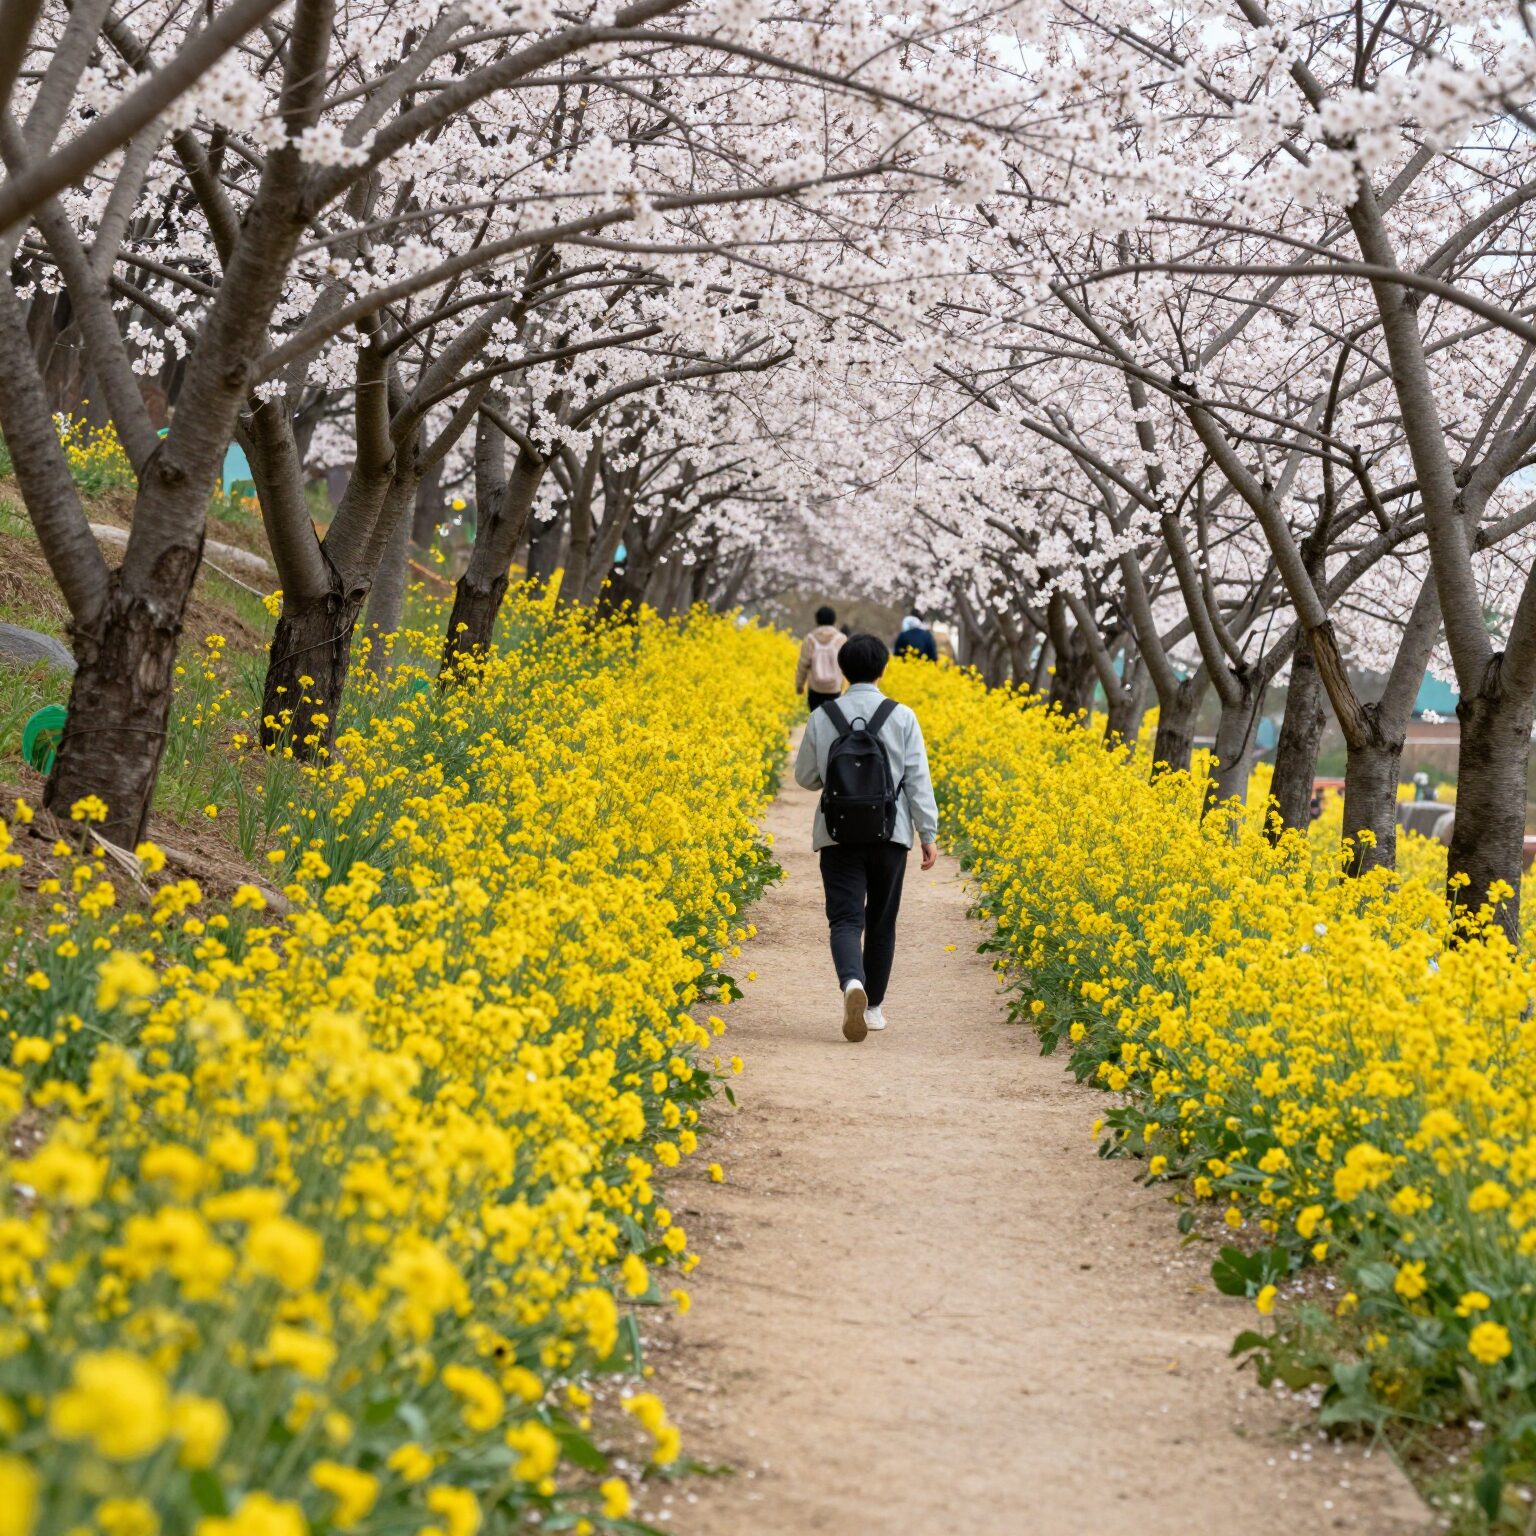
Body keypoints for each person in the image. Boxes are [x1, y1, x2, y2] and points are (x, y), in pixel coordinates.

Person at [793, 633, 939, 1043]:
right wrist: (927, 832)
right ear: (883, 669)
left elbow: (805, 777)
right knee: (881, 922)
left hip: (838, 835)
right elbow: (917, 781)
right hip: (890, 833)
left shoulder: (824, 716)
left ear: (842, 669)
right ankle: (872, 1008)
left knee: (844, 918)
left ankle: (851, 984)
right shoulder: (902, 715)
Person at [795, 605, 846, 712]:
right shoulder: (841, 639)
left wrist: (799, 685)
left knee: (815, 720)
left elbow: (803, 664)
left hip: (815, 688)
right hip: (834, 688)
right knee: (833, 722)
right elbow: (846, 665)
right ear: (834, 620)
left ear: (817, 619)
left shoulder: (810, 638)